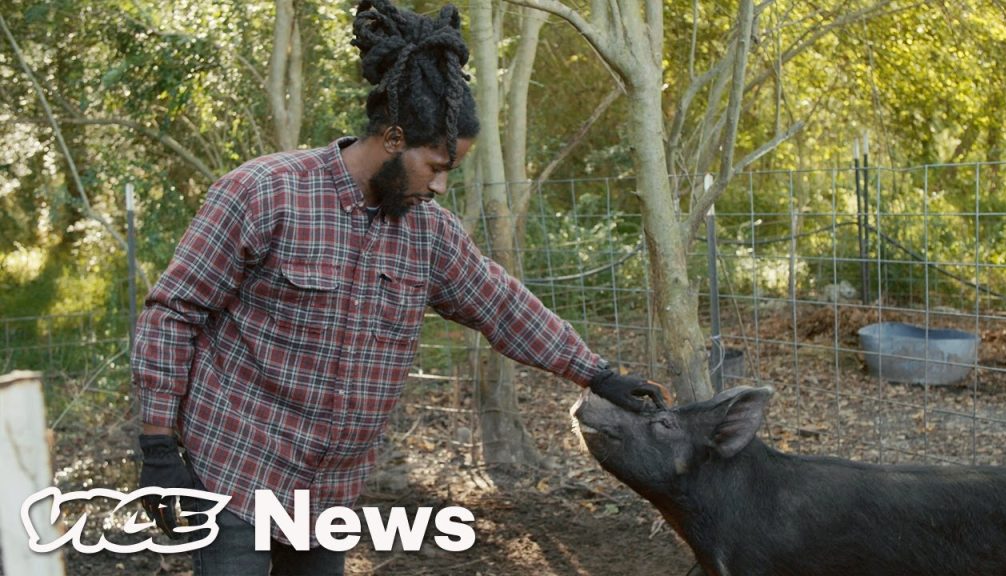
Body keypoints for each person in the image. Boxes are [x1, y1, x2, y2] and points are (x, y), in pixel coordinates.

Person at [131, 1, 665, 574]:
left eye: (449, 172)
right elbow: (173, 312)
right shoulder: (266, 194)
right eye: (434, 166)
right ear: (391, 138)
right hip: (236, 464)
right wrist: (159, 448)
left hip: (326, 491)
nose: (438, 185)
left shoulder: (429, 234)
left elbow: (503, 306)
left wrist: (598, 374)